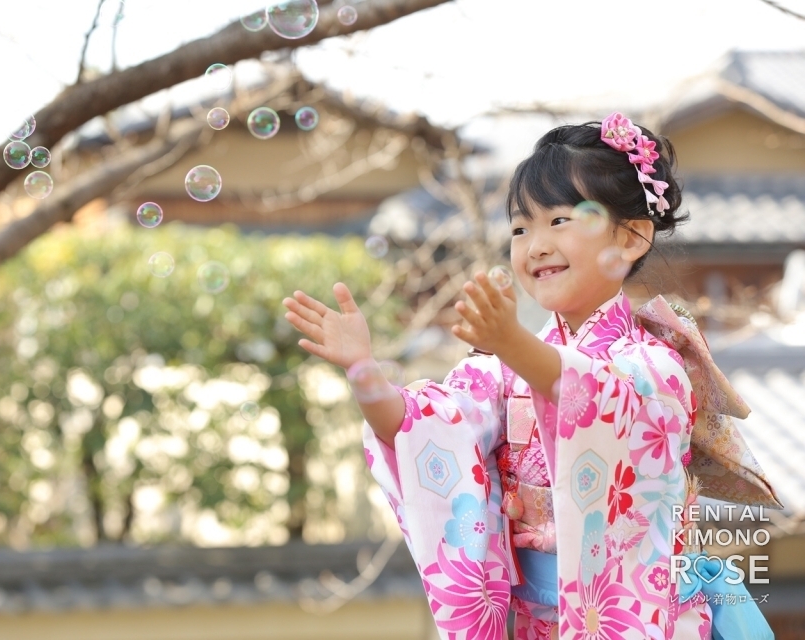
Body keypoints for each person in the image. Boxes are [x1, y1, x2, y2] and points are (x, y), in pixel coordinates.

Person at [282, 113, 780, 639]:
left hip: (640, 617)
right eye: (521, 227)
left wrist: (512, 343)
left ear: (632, 238)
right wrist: (364, 371)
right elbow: (423, 429)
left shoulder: (655, 365)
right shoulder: (504, 369)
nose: (535, 244)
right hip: (536, 623)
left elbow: (592, 397)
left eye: (559, 221)